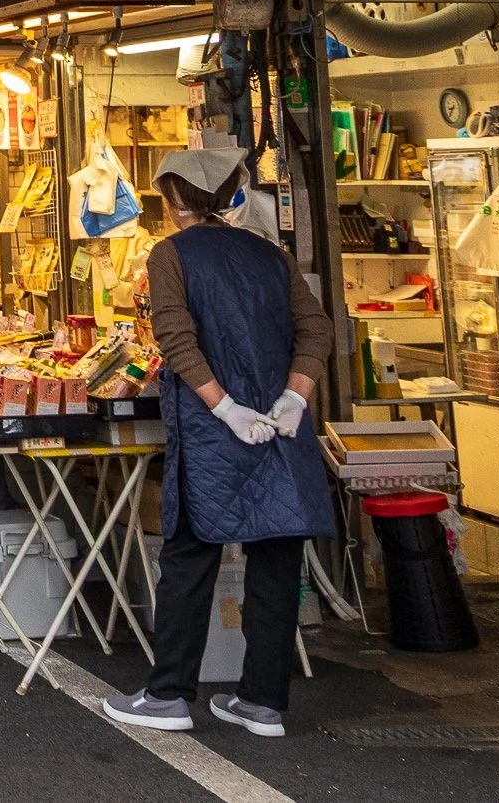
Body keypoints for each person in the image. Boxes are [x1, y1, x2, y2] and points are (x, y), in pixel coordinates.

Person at [105, 149, 335, 740]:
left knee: (188, 557)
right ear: (230, 194)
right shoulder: (271, 256)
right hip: (281, 429)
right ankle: (262, 702)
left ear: (173, 199)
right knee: (277, 556)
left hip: (214, 430)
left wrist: (225, 407)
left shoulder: (169, 255)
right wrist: (294, 397)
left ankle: (169, 695)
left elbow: (177, 341)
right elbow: (317, 330)